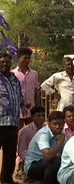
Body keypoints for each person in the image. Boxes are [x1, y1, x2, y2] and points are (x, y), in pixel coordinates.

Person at [0, 52, 24, 183]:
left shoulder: (15, 79)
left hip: (13, 121)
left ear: (11, 63)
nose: (5, 64)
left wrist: (24, 103)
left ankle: (6, 179)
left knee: (9, 155)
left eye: (7, 62)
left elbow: (19, 96)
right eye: (2, 61)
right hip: (0, 122)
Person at [24, 111, 65, 184]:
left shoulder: (62, 134)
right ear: (49, 124)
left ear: (64, 124)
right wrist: (59, 143)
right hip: (33, 166)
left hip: (47, 165)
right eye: (55, 124)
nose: (58, 127)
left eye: (60, 124)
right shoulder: (44, 134)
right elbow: (48, 156)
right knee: (54, 161)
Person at [12, 47, 39, 129]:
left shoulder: (34, 74)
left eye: (29, 58)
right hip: (17, 111)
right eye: (25, 58)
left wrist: (37, 107)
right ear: (18, 58)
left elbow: (36, 91)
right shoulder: (12, 74)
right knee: (18, 133)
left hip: (31, 110)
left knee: (32, 132)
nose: (27, 60)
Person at [16, 106, 45, 177]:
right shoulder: (24, 131)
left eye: (43, 115)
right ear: (32, 117)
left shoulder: (46, 129)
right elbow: (21, 151)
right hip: (28, 160)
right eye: (38, 116)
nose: (41, 118)